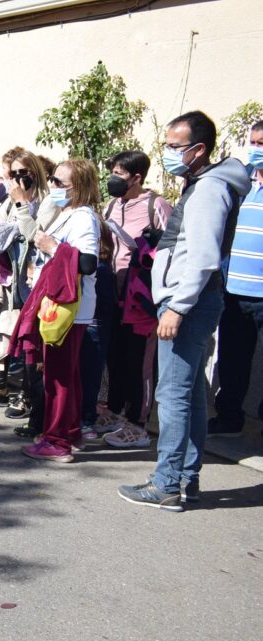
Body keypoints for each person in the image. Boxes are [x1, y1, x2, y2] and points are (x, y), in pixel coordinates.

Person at [119, 111, 251, 510]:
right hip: (191, 299)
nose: (169, 153)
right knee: (190, 394)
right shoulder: (204, 184)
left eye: (176, 147)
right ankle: (185, 479)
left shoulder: (210, 188)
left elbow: (204, 256)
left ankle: (168, 484)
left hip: (188, 302)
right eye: (167, 145)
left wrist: (176, 307)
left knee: (173, 395)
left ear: (199, 149)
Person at [19, 159, 102, 462]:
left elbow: (88, 262)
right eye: (52, 180)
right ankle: (70, 432)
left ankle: (57, 441)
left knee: (58, 377)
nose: (52, 186)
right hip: (60, 304)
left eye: (59, 182)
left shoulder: (82, 217)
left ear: (79, 187)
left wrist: (52, 247)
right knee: (67, 374)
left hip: (69, 309)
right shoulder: (69, 214)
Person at [0, 147, 58, 409]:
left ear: (37, 172)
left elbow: (32, 234)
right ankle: (0, 384)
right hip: (3, 273)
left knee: (28, 334)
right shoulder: (8, 199)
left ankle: (30, 393)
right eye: (14, 173)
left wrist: (21, 203)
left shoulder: (47, 200)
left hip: (30, 277)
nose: (19, 178)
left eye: (25, 172)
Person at [95, 150, 172, 447]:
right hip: (111, 296)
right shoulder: (112, 205)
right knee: (115, 359)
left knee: (139, 363)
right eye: (112, 172)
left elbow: (170, 249)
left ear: (137, 177)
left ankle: (138, 425)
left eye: (120, 174)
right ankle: (113, 413)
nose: (113, 179)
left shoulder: (157, 205)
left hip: (141, 301)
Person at [209, 122, 263, 436]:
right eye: (253, 142)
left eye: (262, 143)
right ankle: (229, 417)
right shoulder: (240, 188)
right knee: (232, 360)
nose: (256, 149)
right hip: (234, 290)